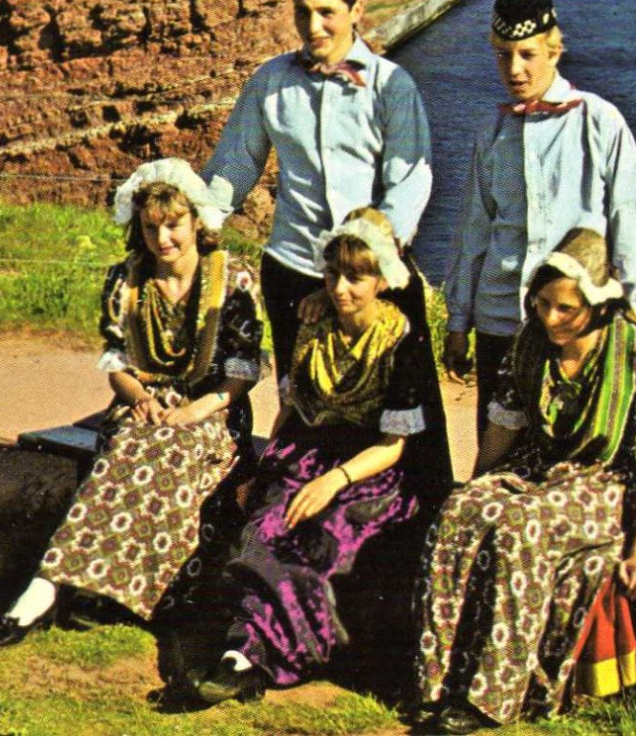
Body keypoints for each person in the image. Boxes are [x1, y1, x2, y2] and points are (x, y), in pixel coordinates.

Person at [0, 158, 263, 648]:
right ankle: (41, 593)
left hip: (212, 410)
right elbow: (118, 368)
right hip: (145, 404)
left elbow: (241, 373)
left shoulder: (233, 279)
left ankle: (128, 595)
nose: (164, 239)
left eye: (173, 225)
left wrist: (193, 412)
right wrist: (142, 399)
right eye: (151, 228)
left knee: (171, 457)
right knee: (127, 454)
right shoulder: (126, 281)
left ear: (196, 220)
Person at [414, 228, 636, 734]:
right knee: (458, 514)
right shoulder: (530, 342)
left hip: (599, 485)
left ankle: (492, 696)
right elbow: (504, 426)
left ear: (597, 307)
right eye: (541, 304)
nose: (550, 318)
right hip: (536, 470)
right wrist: (476, 490)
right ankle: (439, 682)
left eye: (565, 309)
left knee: (522, 527)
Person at [184, 207, 452, 705]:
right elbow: (292, 407)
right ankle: (242, 653)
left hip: (370, 468)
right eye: (332, 274)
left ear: (381, 280)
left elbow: (394, 445)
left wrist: (333, 482)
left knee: (327, 534)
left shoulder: (401, 338)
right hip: (307, 451)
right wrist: (263, 469)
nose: (342, 288)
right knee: (267, 525)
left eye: (356, 277)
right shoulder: (313, 322)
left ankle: (270, 655)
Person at [200, 0, 435, 380]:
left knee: (392, 413)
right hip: (295, 270)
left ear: (356, 9)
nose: (313, 26)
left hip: (370, 276)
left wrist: (366, 263)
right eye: (303, 12)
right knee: (304, 406)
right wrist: (200, 222)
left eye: (327, 12)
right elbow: (235, 165)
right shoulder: (270, 81)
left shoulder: (391, 86)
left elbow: (409, 184)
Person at [443, 0, 636, 439]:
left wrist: (625, 315)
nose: (515, 68)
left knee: (566, 442)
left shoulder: (600, 121)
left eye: (527, 54)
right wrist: (458, 320)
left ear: (555, 51)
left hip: (572, 321)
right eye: (503, 55)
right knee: (497, 442)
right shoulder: (493, 130)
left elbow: (633, 224)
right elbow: (474, 231)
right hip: (499, 318)